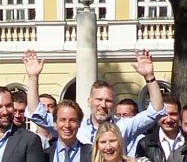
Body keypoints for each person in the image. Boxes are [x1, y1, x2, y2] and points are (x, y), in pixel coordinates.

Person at [22, 47, 166, 148]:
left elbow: (156, 111)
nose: (103, 105)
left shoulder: (124, 126)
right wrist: (33, 77)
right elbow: (36, 113)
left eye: (108, 101)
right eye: (98, 99)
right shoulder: (75, 126)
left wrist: (149, 77)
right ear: (89, 101)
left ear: (114, 104)